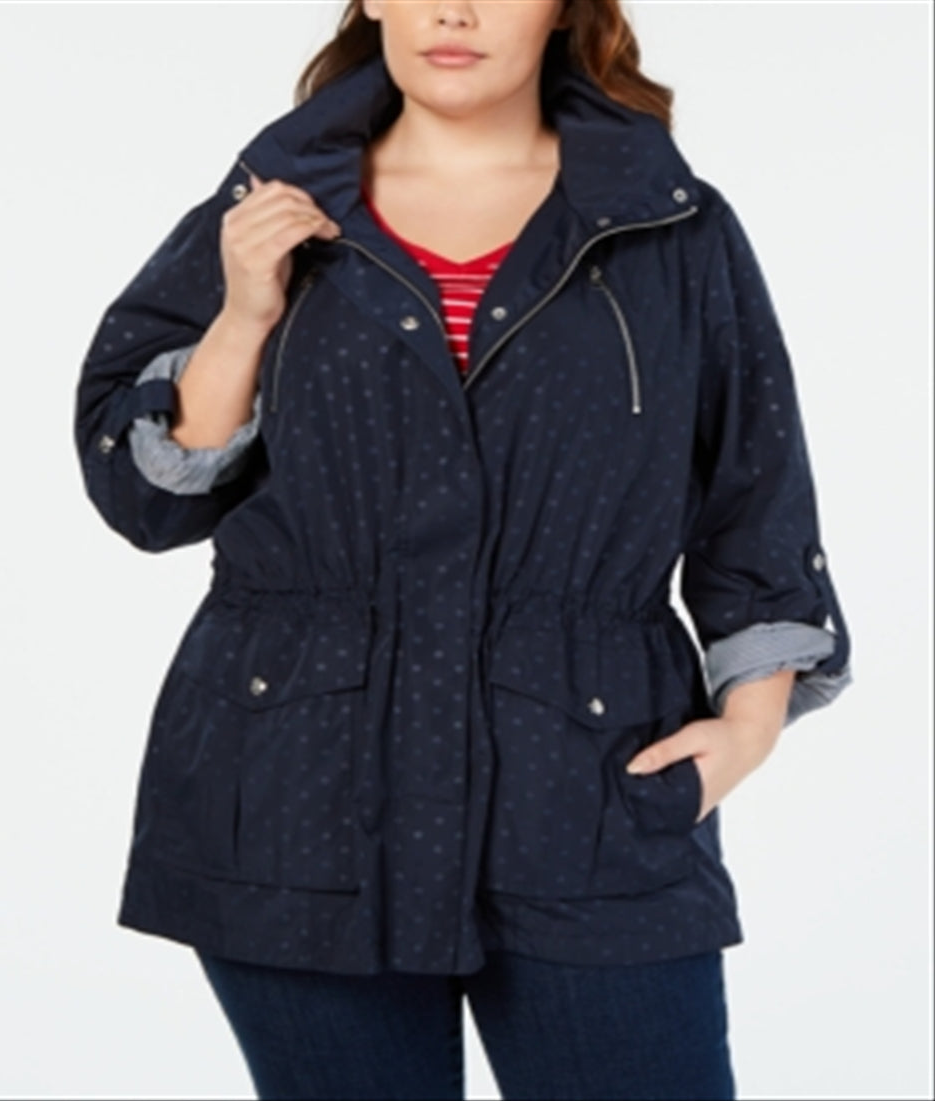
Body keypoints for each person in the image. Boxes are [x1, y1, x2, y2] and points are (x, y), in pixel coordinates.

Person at [73, 1, 853, 1097]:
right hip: (301, 790)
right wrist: (244, 314)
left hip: (585, 779)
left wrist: (750, 726)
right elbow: (143, 496)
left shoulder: (665, 223)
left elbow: (755, 484)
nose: (454, 9)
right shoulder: (267, 209)